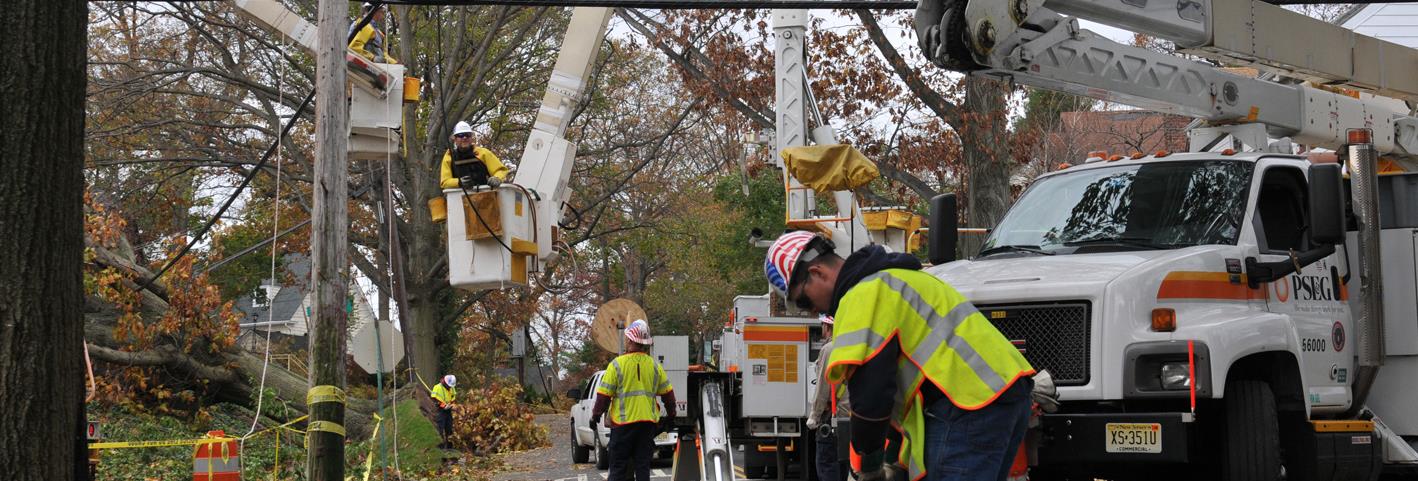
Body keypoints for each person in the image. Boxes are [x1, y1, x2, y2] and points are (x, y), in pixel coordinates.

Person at [763, 231, 1035, 481]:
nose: (810, 311)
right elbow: (898, 386)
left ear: (817, 272)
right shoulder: (901, 278)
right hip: (1004, 393)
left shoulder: (861, 296)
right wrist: (893, 453)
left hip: (968, 404)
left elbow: (871, 396)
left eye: (802, 300)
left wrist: (868, 469)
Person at [590, 320, 676, 481]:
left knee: (617, 469)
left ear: (629, 340)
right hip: (647, 426)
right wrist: (671, 416)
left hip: (623, 426)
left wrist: (595, 416)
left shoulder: (616, 365)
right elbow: (668, 394)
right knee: (643, 468)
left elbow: (603, 396)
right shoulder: (655, 366)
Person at [808, 314, 850, 481]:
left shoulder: (830, 349)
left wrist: (814, 416)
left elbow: (822, 388)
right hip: (850, 417)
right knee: (843, 467)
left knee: (826, 466)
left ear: (827, 326)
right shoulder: (853, 346)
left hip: (832, 417)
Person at [439, 121, 508, 190]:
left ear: (471, 137)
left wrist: (497, 178)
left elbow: (500, 170)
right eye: (460, 135)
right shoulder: (449, 156)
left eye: (467, 135)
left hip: (485, 195)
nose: (464, 138)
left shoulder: (483, 153)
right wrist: (459, 182)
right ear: (455, 139)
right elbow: (445, 182)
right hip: (458, 197)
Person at [431, 374, 457, 449]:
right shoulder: (437, 387)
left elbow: (453, 396)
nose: (450, 387)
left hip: (448, 410)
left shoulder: (451, 388)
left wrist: (452, 404)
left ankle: (450, 447)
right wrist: (443, 406)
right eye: (448, 386)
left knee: (449, 427)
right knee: (440, 428)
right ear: (444, 382)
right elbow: (434, 399)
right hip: (440, 411)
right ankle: (440, 448)